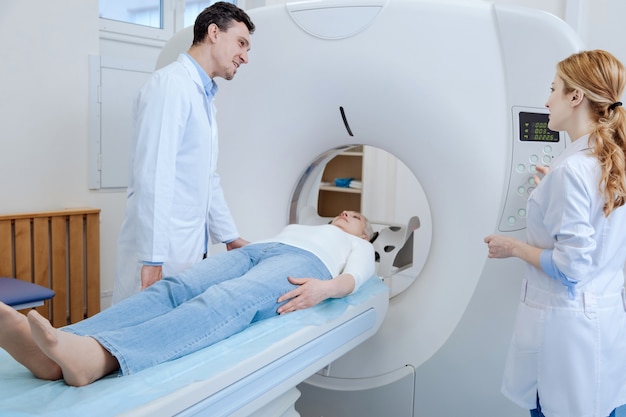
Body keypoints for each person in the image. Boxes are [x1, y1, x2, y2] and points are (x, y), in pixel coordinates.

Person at [0, 211, 375, 387]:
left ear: (364, 234)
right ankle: (54, 348)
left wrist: (323, 289)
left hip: (302, 265)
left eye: (356, 216)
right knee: (173, 288)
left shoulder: (356, 246)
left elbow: (357, 277)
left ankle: (98, 358)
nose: (346, 213)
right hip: (258, 250)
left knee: (224, 300)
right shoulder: (307, 226)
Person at [484, 50, 626, 417]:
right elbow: (601, 229)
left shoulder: (574, 171)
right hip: (603, 325)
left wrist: (513, 246)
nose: (547, 101)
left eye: (553, 89)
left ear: (575, 97)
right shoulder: (608, 162)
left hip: (566, 337)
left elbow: (572, 267)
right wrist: (554, 192)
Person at [112, 2, 254, 304]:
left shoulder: (202, 96)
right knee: (132, 333)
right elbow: (155, 173)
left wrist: (229, 237)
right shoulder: (171, 86)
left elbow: (206, 178)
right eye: (241, 43)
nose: (245, 56)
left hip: (186, 247)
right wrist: (152, 258)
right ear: (214, 32)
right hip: (160, 251)